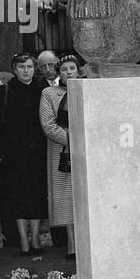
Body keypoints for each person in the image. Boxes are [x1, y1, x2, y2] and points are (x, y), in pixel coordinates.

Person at [0, 53, 48, 256]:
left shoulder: (42, 90)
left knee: (36, 196)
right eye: (21, 67)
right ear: (14, 70)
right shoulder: (4, 91)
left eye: (29, 67)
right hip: (14, 154)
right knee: (18, 197)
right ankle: (23, 239)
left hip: (37, 152)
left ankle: (35, 238)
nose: (26, 70)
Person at [40, 53, 79, 256]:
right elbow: (48, 125)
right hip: (61, 151)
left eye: (72, 68)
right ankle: (72, 244)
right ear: (59, 72)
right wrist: (73, 140)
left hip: (87, 152)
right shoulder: (49, 93)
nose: (68, 72)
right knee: (66, 199)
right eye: (64, 69)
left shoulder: (86, 90)